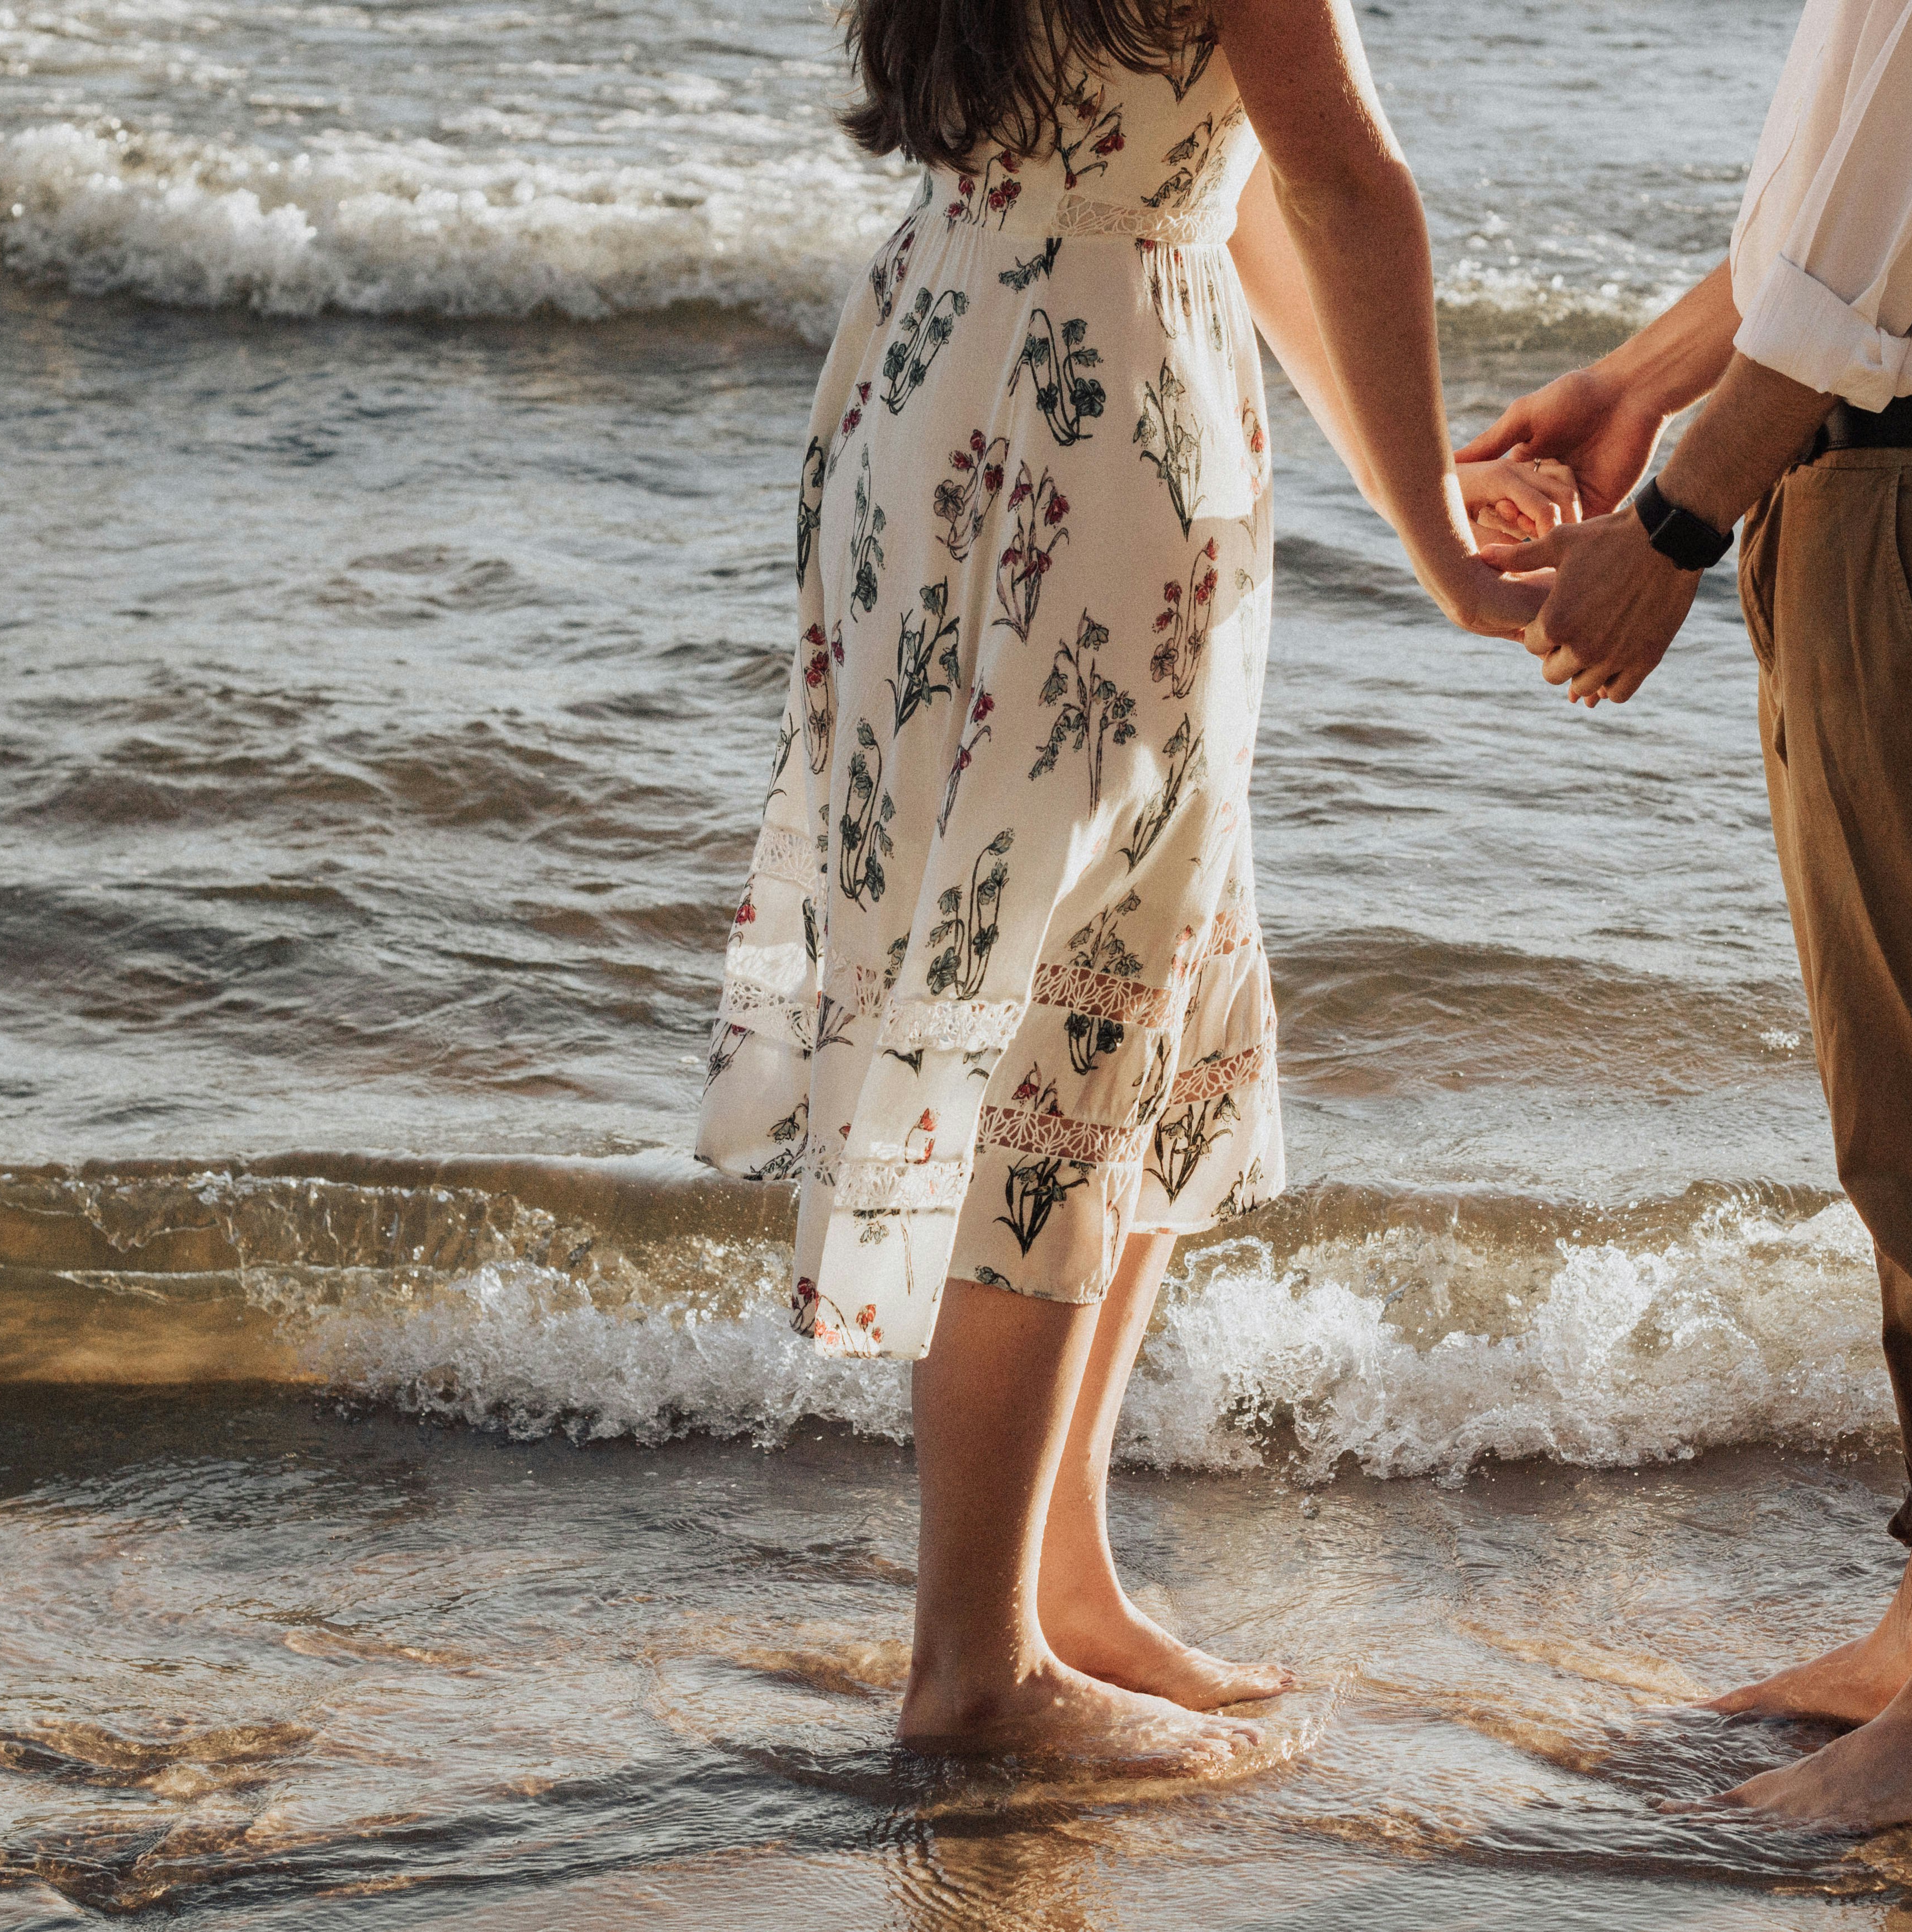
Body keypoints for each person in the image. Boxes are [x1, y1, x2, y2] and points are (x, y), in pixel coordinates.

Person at [693, 0, 1560, 1772]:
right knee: (1069, 999)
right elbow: (1347, 183)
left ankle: (1054, 1582)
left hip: (953, 353)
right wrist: (1455, 560)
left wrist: (1418, 494)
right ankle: (975, 1669)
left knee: (1125, 967)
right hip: (1090, 425)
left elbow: (1232, 181)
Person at [1466, 0, 1912, 1830]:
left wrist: (1674, 518)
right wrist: (1643, 382)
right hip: (1911, 475)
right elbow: (1859, 215)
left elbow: (1873, 250)